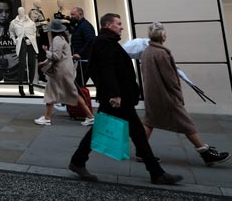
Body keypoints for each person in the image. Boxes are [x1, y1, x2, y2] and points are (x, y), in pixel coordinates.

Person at [68, 13, 182, 185]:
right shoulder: (103, 43)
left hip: (121, 98)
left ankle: (156, 172)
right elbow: (107, 70)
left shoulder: (110, 43)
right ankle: (156, 173)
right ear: (107, 25)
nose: (121, 27)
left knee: (136, 134)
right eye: (118, 23)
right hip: (116, 99)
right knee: (131, 133)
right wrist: (114, 94)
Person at [141, 22, 230, 165]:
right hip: (166, 96)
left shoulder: (147, 52)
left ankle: (142, 151)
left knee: (150, 122)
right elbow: (170, 79)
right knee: (186, 123)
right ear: (163, 36)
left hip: (153, 94)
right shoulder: (161, 53)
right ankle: (204, 152)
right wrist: (178, 95)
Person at [34, 20, 93, 126]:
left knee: (52, 93)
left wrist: (46, 51)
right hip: (65, 70)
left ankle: (47, 118)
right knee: (72, 93)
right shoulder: (62, 39)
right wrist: (44, 62)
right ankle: (89, 116)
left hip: (60, 71)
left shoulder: (56, 39)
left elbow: (56, 56)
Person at [9, 7, 37, 96]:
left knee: (32, 63)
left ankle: (31, 84)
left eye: (23, 11)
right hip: (21, 42)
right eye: (20, 11)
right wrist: (14, 39)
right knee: (22, 64)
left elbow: (34, 32)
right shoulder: (14, 22)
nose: (21, 12)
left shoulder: (31, 22)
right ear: (18, 12)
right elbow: (11, 32)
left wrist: (31, 38)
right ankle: (20, 86)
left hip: (30, 43)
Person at [69, 7, 95, 86]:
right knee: (79, 84)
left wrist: (79, 53)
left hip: (85, 59)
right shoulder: (80, 26)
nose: (71, 17)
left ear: (80, 14)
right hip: (83, 60)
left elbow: (90, 40)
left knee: (78, 85)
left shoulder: (85, 26)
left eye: (73, 14)